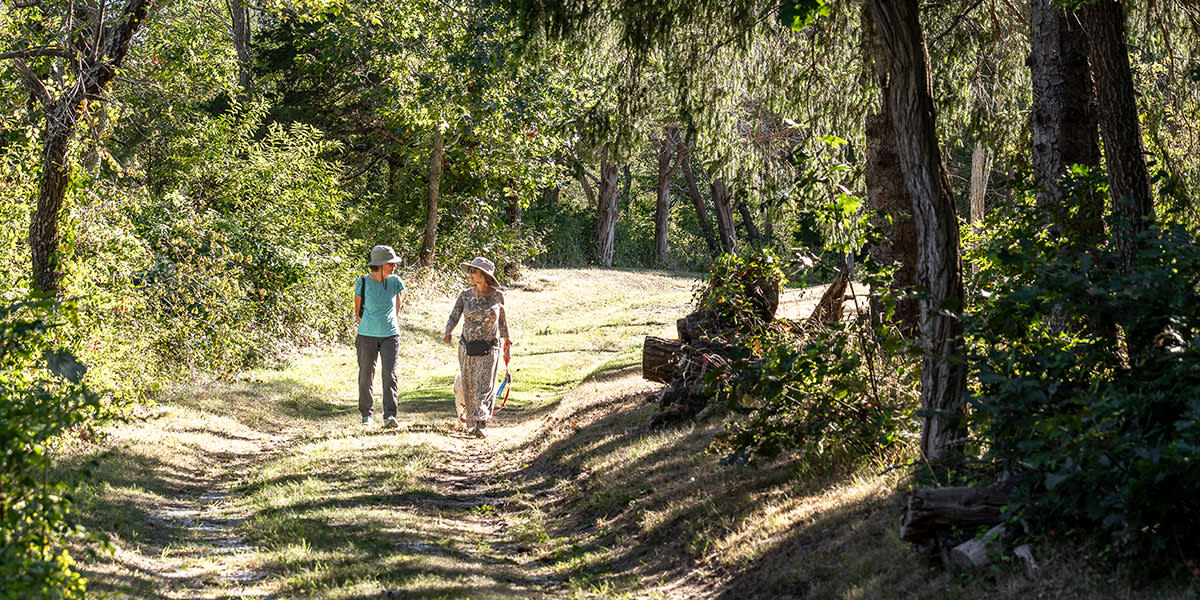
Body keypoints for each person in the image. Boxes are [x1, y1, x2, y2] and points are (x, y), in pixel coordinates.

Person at [443, 257, 511, 438]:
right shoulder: (465, 295)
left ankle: (482, 422)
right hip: (467, 347)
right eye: (470, 270)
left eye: (474, 271)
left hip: (490, 347)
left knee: (485, 385)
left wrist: (507, 343)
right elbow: (454, 316)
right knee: (469, 385)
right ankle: (472, 422)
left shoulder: (498, 296)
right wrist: (448, 332)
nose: (470, 274)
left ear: (485, 275)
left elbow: (503, 321)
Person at [355, 245, 405, 428]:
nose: (394, 267)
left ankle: (390, 416)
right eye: (390, 264)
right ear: (380, 265)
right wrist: (372, 324)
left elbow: (398, 304)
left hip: (391, 335)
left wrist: (389, 323)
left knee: (389, 375)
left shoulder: (395, 282)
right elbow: (358, 312)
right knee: (366, 375)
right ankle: (366, 416)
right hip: (366, 335)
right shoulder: (363, 282)